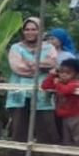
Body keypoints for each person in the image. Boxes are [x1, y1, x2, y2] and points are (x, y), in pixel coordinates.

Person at [7, 17, 60, 145]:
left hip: (43, 91)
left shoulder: (49, 48)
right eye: (27, 29)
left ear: (40, 31)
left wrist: (32, 63)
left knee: (46, 122)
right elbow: (18, 67)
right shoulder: (16, 48)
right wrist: (42, 67)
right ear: (23, 31)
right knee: (19, 124)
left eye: (34, 29)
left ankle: (50, 155)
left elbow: (54, 64)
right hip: (20, 91)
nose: (30, 32)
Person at [42, 59, 79, 150]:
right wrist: (52, 74)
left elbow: (65, 90)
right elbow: (45, 86)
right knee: (67, 140)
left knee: (77, 138)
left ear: (76, 74)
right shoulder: (60, 83)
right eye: (61, 72)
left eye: (68, 72)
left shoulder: (75, 83)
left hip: (76, 116)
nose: (63, 74)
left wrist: (57, 83)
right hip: (64, 116)